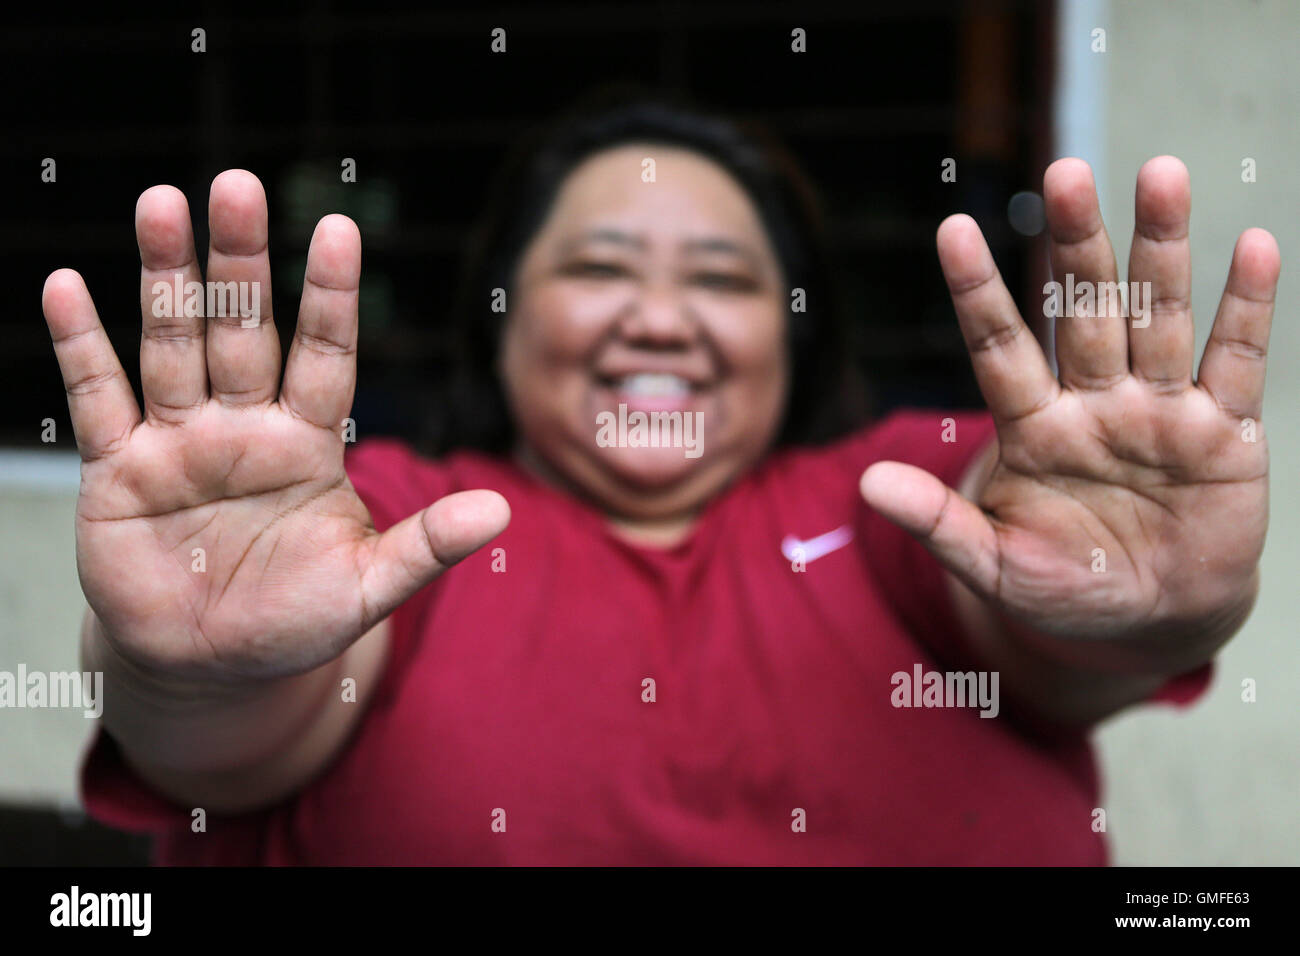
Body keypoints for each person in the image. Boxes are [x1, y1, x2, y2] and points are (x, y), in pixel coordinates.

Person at [46, 100, 1279, 865]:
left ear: (792, 336)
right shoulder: (400, 525)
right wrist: (190, 659)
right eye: (599, 265)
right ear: (502, 315)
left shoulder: (893, 499)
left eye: (725, 279)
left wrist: (1140, 594)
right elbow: (229, 740)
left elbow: (1041, 622)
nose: (660, 317)